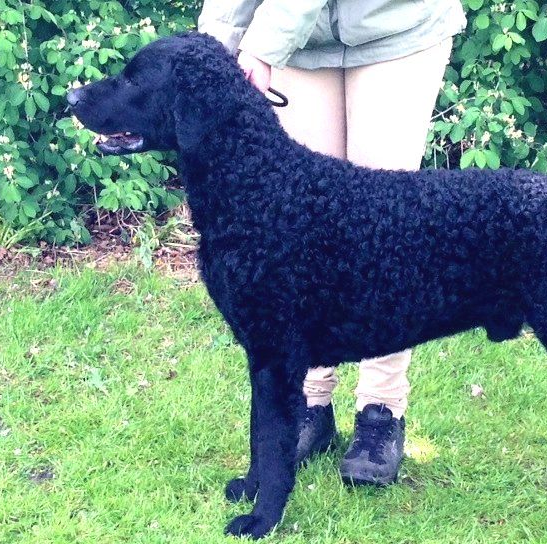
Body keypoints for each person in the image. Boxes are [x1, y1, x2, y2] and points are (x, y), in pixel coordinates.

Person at [197, 0, 466, 485]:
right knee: (302, 236)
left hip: (395, 27)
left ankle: (381, 411)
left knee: (387, 235)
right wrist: (213, 54)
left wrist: (259, 47)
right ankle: (310, 404)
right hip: (300, 45)